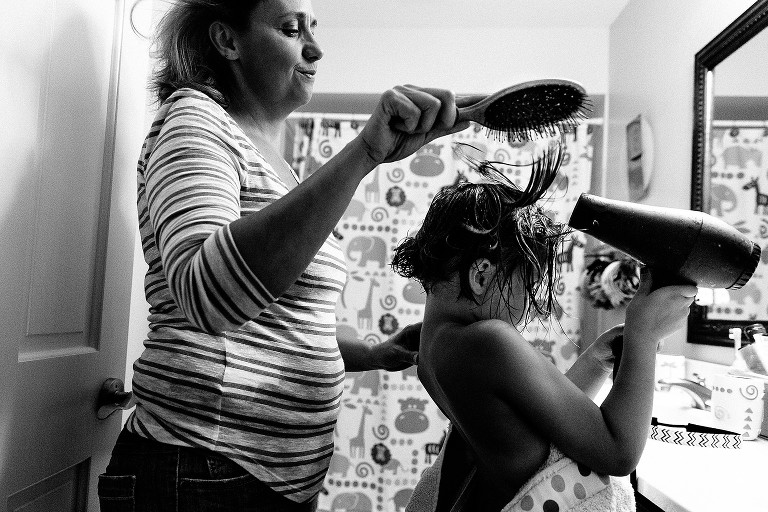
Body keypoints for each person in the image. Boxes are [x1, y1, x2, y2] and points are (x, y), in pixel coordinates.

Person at [97, 0, 471, 510]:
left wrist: (372, 352)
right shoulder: (194, 121)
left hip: (270, 481)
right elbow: (208, 296)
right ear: (228, 41)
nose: (315, 47)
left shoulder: (279, 167)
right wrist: (364, 153)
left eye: (313, 29)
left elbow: (285, 321)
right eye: (292, 29)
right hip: (202, 468)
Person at [390, 148, 698, 512]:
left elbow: (538, 421)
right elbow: (617, 452)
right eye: (528, 285)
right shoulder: (488, 340)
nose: (525, 306)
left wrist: (597, 361)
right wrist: (643, 337)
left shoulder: (432, 350)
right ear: (482, 275)